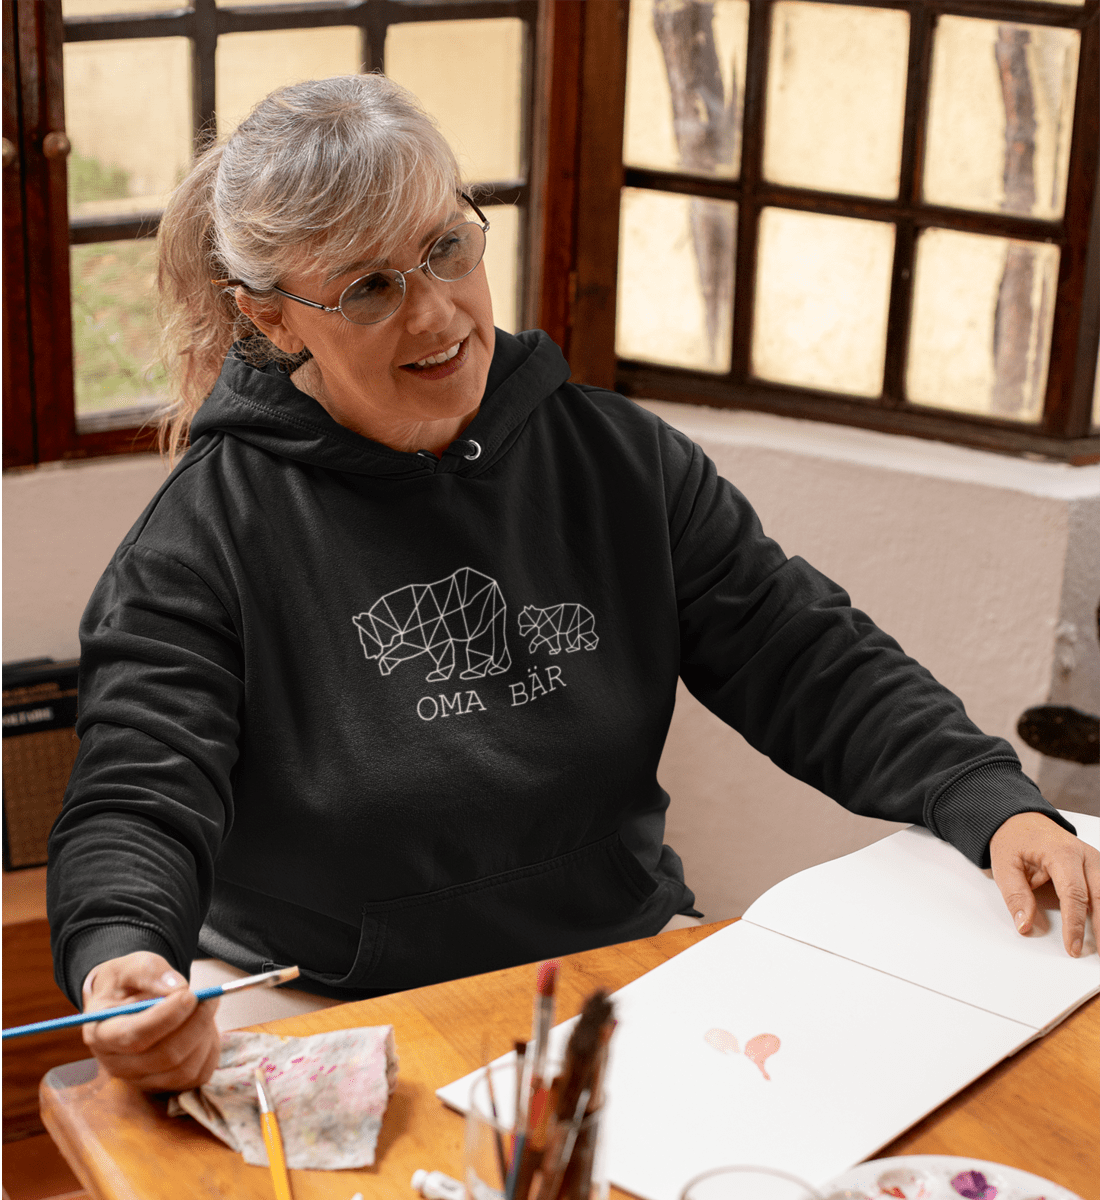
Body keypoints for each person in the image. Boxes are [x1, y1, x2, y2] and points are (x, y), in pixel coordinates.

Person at [47, 74, 1098, 1093]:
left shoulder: (618, 461)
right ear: (272, 317)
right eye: (369, 288)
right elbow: (138, 795)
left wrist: (986, 799)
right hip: (331, 1004)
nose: (436, 315)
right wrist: (122, 952)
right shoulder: (201, 542)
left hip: (617, 965)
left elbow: (800, 653)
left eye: (445, 248)